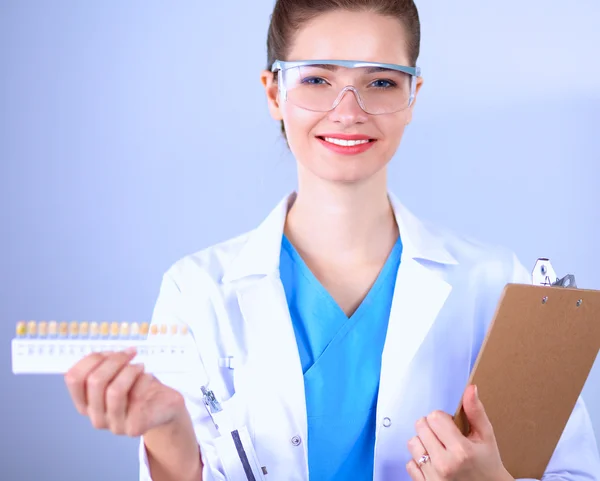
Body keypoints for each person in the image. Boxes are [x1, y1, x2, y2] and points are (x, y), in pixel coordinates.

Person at [64, 0, 600, 480]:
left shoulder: (494, 283)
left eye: (382, 81)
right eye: (317, 79)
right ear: (274, 92)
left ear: (413, 95)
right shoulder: (196, 291)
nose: (348, 110)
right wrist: (167, 430)